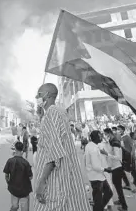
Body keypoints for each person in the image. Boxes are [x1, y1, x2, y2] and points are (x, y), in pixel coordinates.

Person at [34, 83, 91, 211]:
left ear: (47, 95)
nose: (36, 97)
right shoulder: (60, 112)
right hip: (65, 176)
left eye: (39, 94)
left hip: (54, 180)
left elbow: (54, 153)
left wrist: (42, 182)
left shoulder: (51, 114)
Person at [85, 130, 113, 211]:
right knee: (99, 199)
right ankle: (99, 208)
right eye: (100, 136)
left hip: (98, 176)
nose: (102, 137)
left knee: (108, 193)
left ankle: (99, 208)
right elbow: (95, 166)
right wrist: (106, 169)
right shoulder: (93, 149)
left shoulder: (90, 145)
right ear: (96, 137)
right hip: (96, 177)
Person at [101, 128, 128, 211]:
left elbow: (118, 157)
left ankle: (124, 206)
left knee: (118, 188)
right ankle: (121, 201)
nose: (105, 136)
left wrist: (106, 154)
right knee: (117, 186)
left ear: (109, 133)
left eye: (106, 134)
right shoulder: (111, 141)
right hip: (114, 167)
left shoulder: (115, 143)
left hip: (117, 168)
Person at [3, 142, 33, 211]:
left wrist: (9, 183)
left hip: (13, 189)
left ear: (15, 149)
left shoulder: (10, 161)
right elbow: (30, 177)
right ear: (22, 150)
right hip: (24, 191)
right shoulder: (26, 163)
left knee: (14, 206)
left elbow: (6, 176)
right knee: (24, 209)